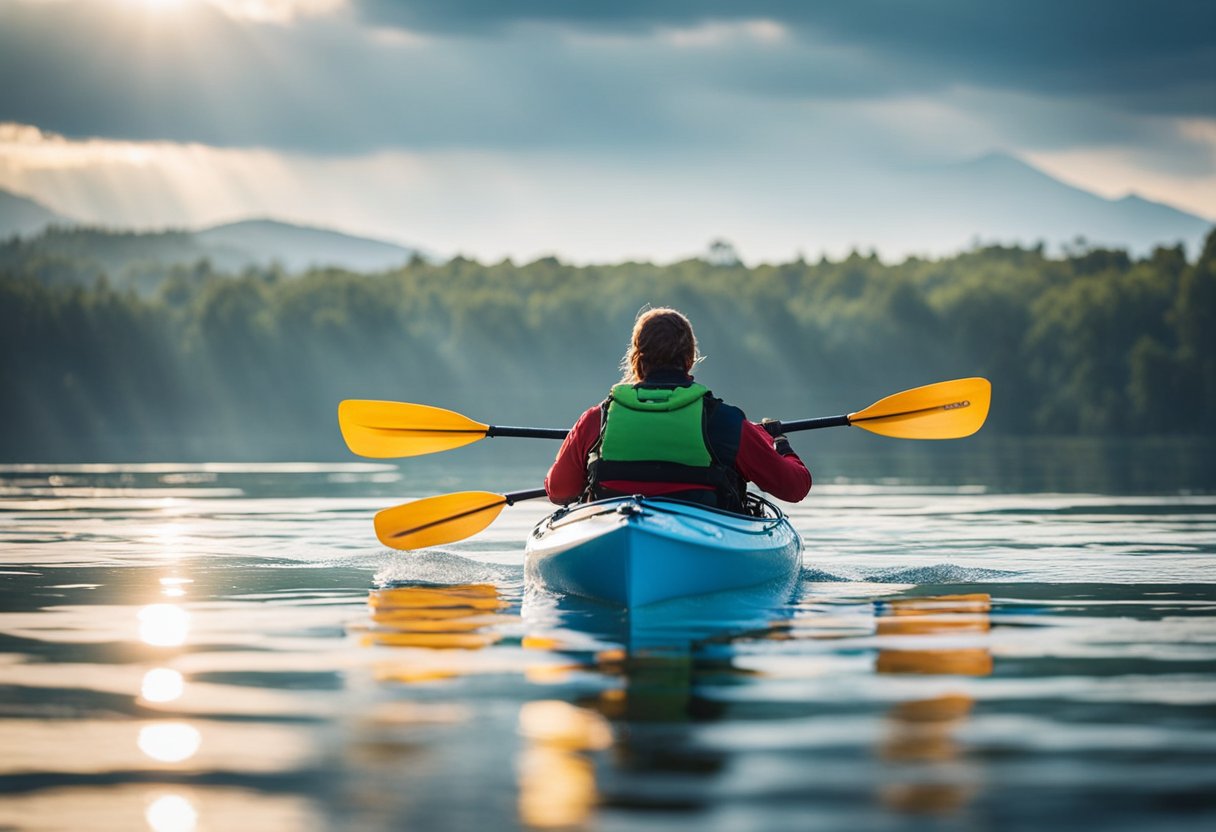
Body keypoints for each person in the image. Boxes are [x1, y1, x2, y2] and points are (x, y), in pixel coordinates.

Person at [545, 307, 811, 512]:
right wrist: (781, 443)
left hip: (615, 528)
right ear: (689, 359)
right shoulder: (725, 423)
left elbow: (558, 491)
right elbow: (795, 487)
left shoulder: (597, 420)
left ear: (636, 360)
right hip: (702, 535)